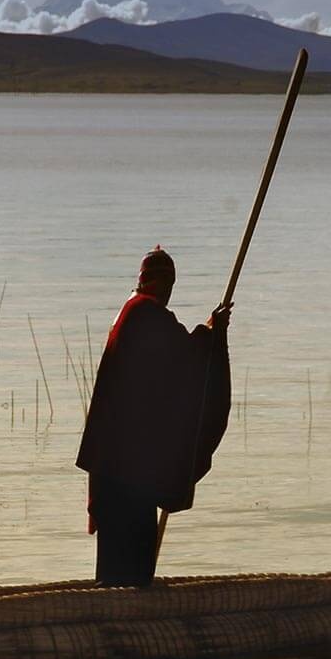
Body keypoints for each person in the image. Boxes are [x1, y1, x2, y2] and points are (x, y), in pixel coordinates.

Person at [77, 247, 232, 587]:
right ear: (150, 281)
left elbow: (160, 378)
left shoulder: (131, 312)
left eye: (170, 283)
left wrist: (209, 331)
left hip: (119, 466)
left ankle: (117, 620)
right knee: (131, 566)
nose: (167, 290)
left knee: (118, 566)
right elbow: (187, 358)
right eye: (164, 282)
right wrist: (213, 332)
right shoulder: (144, 314)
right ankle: (125, 625)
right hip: (126, 472)